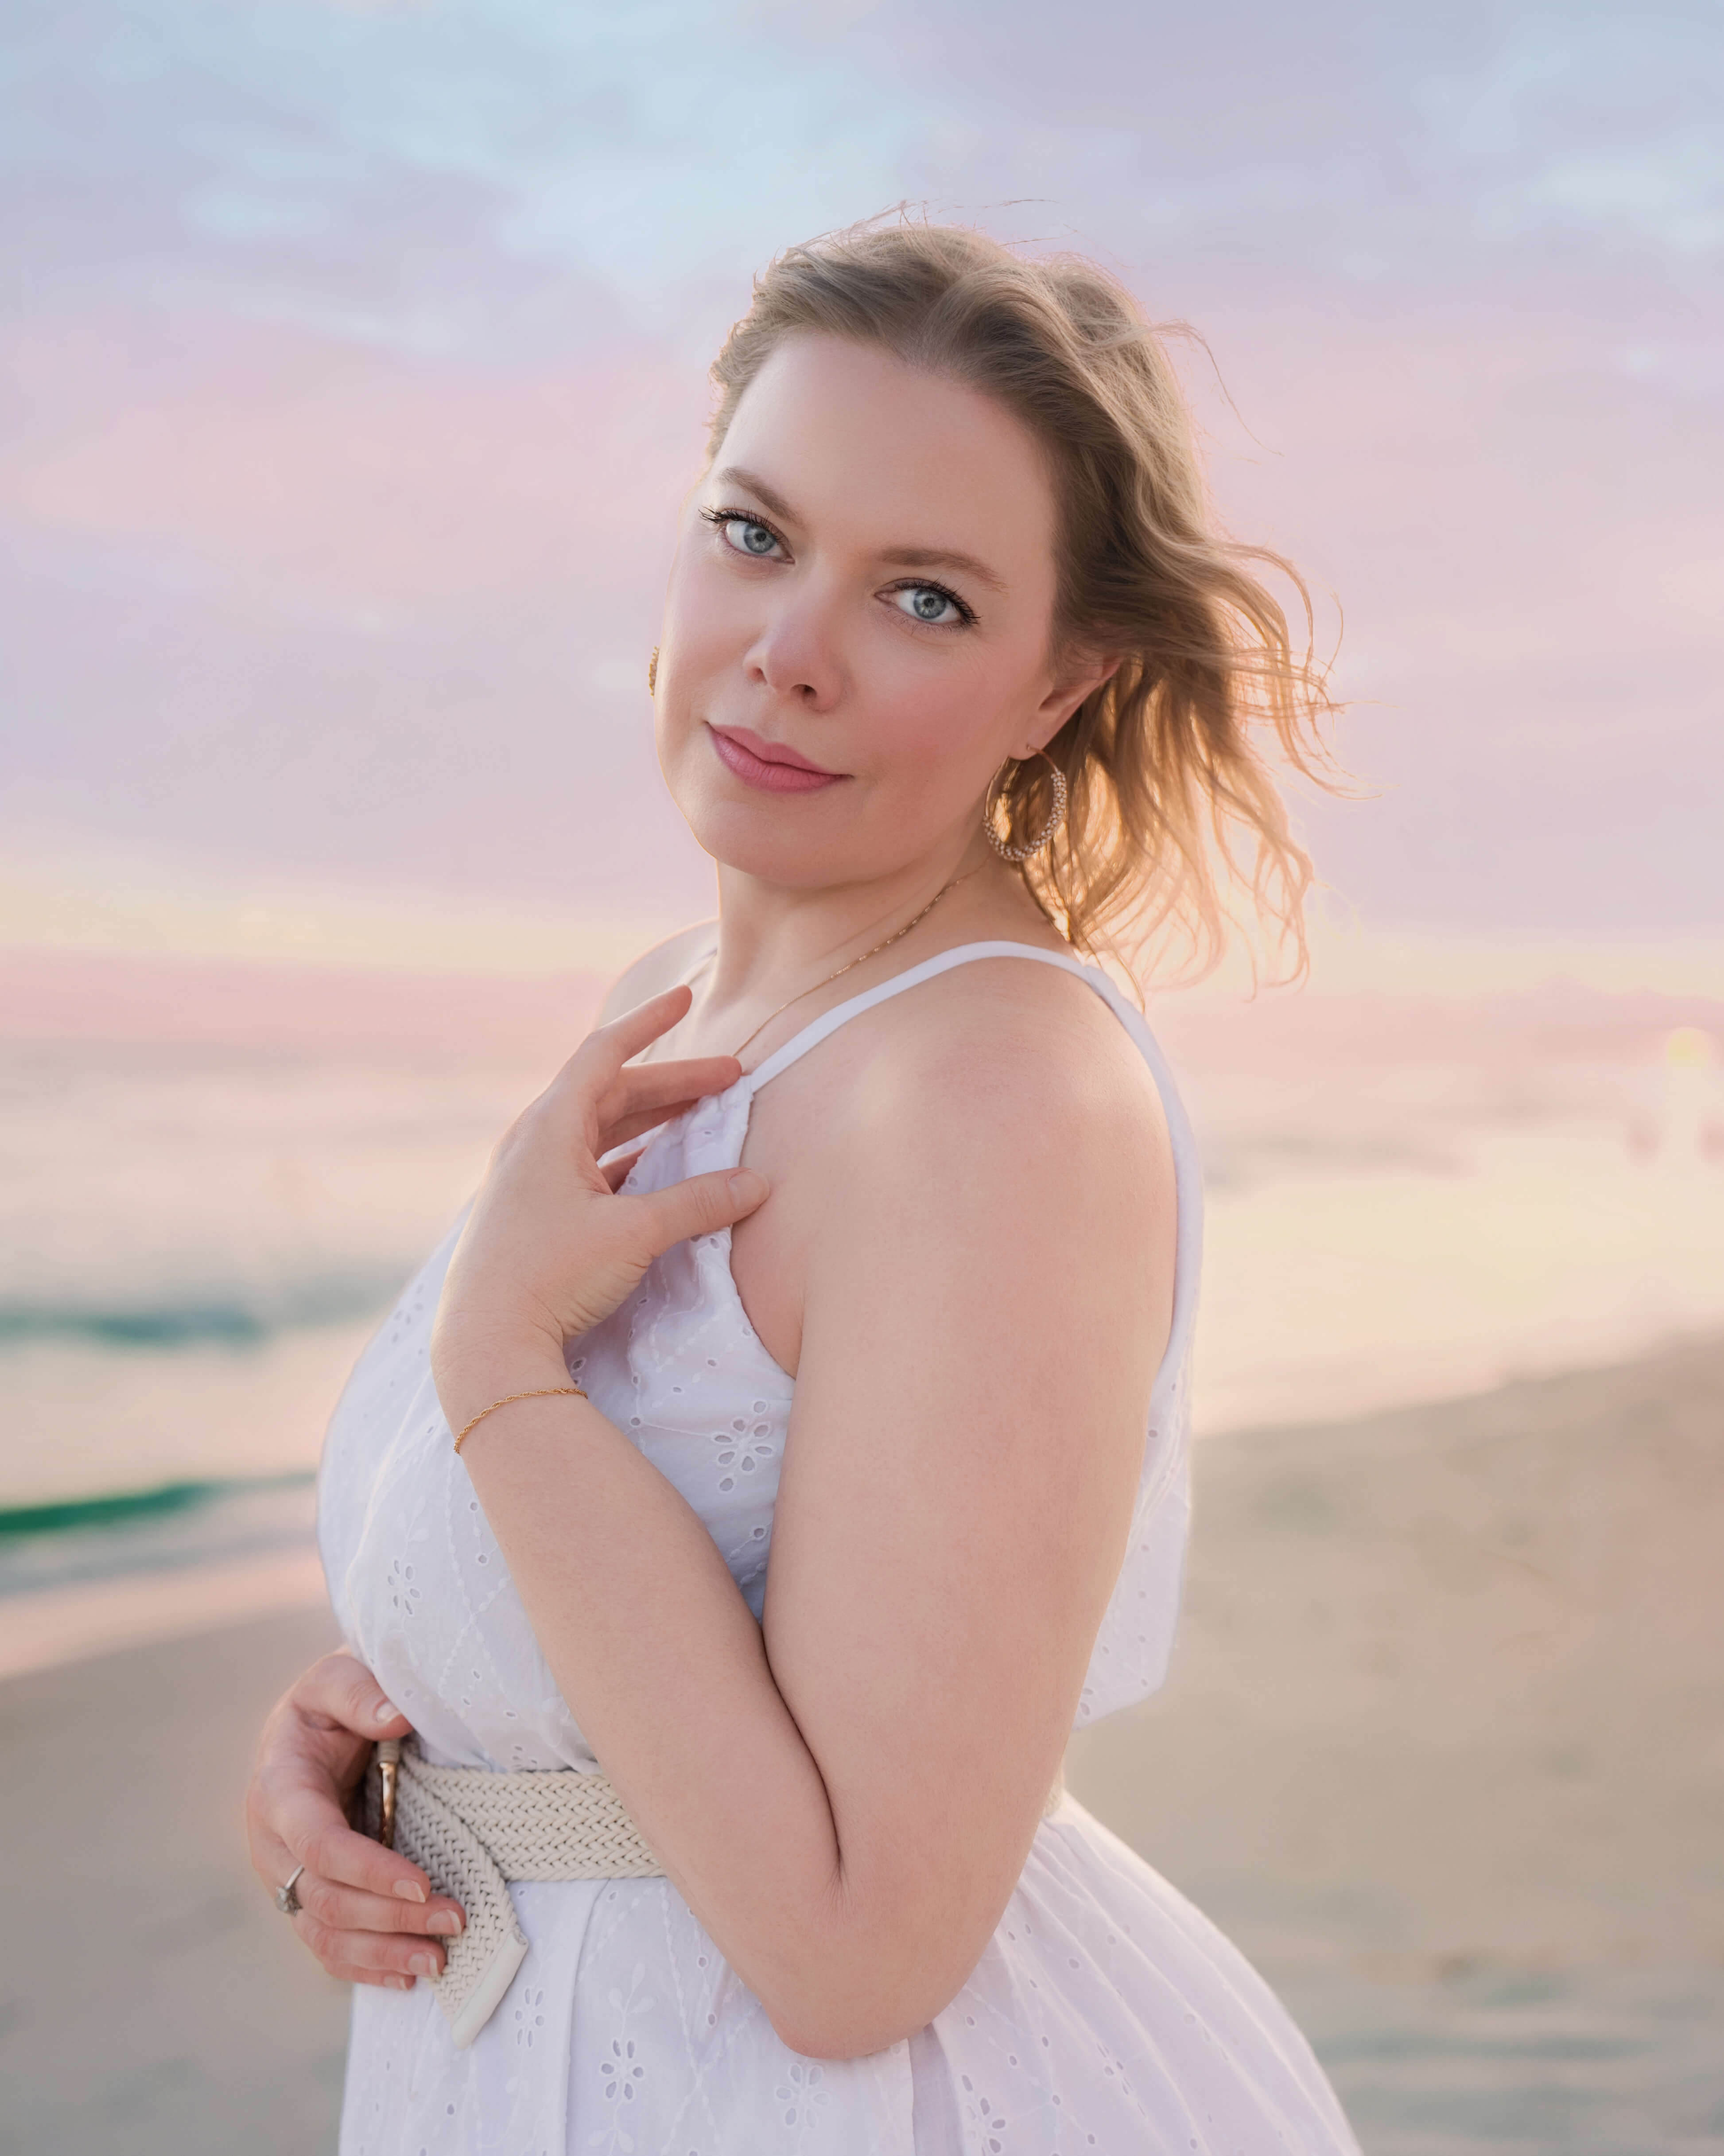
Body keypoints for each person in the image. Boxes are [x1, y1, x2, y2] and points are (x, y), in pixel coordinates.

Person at [246, 218, 1359, 2153]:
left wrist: (506, 1366)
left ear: (1060, 681)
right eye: (754, 533)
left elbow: (854, 1943)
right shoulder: (675, 999)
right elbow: (628, 1630)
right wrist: (376, 1759)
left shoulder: (991, 1091)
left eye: (922, 598)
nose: (788, 651)